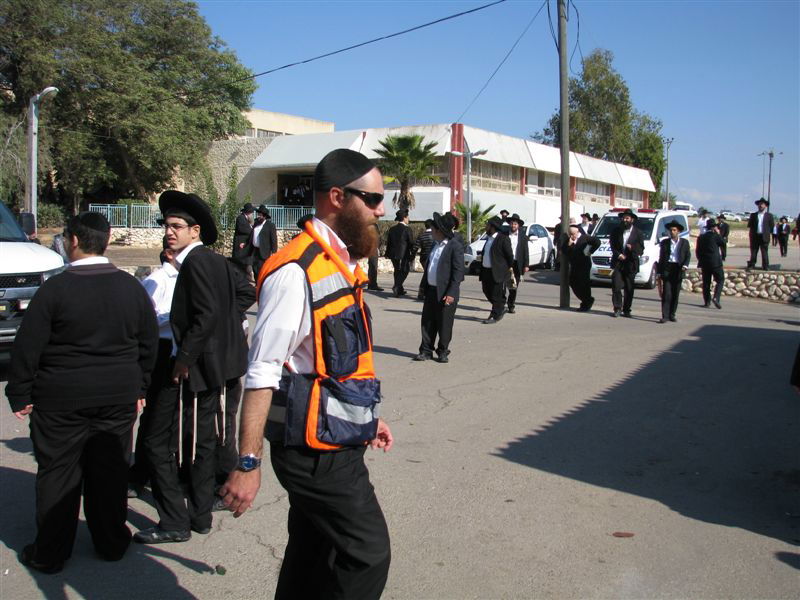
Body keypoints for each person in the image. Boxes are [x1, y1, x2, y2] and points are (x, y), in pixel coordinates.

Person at [219, 148, 394, 599]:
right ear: (337, 197)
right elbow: (262, 371)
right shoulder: (296, 272)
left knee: (314, 552)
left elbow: (335, 365)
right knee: (368, 553)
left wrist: (368, 420)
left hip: (334, 438)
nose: (382, 210)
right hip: (316, 454)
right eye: (374, 199)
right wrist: (248, 463)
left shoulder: (340, 264)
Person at [7, 212, 159, 574]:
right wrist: (140, 386)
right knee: (109, 471)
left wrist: (20, 393)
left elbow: (27, 347)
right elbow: (149, 343)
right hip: (117, 398)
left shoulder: (55, 289)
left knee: (58, 474)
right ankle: (111, 542)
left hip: (61, 400)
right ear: (106, 240)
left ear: (72, 241)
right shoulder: (132, 289)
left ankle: (50, 552)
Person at [133, 191, 255, 545]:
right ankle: (199, 515)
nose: (168, 232)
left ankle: (178, 518)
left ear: (195, 231)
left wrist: (184, 359)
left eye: (176, 226)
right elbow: (228, 305)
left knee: (169, 442)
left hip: (198, 366)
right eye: (166, 226)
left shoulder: (197, 262)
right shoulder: (213, 261)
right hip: (213, 364)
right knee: (202, 441)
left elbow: (206, 315)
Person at [129, 239, 179, 499]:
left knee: (169, 418)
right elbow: (145, 319)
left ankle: (163, 468)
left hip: (177, 352)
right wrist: (175, 317)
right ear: (169, 254)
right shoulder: (157, 280)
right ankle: (139, 473)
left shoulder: (185, 278)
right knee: (152, 417)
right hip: (159, 350)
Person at [413, 212, 464, 363]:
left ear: (440, 231)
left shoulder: (455, 246)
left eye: (433, 229)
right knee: (427, 322)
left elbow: (458, 272)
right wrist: (423, 287)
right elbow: (430, 267)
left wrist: (451, 293)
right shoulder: (435, 245)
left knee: (444, 324)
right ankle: (426, 350)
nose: (431, 232)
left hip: (446, 292)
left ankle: (443, 351)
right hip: (431, 290)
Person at [609, 209, 644, 317]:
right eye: (623, 218)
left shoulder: (638, 233)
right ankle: (617, 308)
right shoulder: (616, 231)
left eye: (627, 218)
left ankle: (627, 309)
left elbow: (641, 250)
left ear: (632, 220)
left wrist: (632, 248)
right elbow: (612, 246)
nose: (625, 220)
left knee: (629, 288)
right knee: (616, 285)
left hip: (631, 263)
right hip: (618, 263)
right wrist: (618, 254)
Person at [479, 216, 513, 324]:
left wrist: (506, 268)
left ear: (492, 227)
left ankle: (496, 314)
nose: (486, 227)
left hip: (497, 272)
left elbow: (509, 256)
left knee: (495, 294)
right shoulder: (488, 238)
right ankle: (501, 305)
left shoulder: (503, 238)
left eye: (488, 225)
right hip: (486, 271)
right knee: (486, 290)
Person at [655, 219, 690, 323]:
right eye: (671, 230)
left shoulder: (684, 242)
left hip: (678, 269)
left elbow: (688, 255)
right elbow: (661, 257)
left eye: (674, 230)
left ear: (678, 231)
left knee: (675, 294)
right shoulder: (665, 242)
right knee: (667, 293)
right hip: (667, 268)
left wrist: (685, 265)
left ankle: (672, 314)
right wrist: (659, 271)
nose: (672, 232)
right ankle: (665, 315)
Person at [560, 223, 601, 311]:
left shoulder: (585, 238)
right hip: (575, 265)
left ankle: (586, 303)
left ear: (577, 232)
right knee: (573, 282)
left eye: (573, 234)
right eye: (570, 234)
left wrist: (590, 251)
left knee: (584, 284)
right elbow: (564, 251)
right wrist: (569, 244)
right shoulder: (569, 240)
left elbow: (597, 242)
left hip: (584, 264)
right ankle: (586, 299)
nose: (572, 236)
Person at [696, 218, 725, 309]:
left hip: (704, 263)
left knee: (706, 283)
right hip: (715, 263)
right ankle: (716, 297)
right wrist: (718, 233)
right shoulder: (715, 236)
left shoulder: (701, 237)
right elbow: (723, 242)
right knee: (720, 279)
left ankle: (707, 302)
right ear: (713, 228)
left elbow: (698, 251)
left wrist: (701, 260)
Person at [385, 208, 415, 297]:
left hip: (393, 254)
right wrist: (412, 253)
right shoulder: (407, 229)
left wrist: (387, 253)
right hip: (403, 254)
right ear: (404, 218)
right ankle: (397, 286)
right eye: (408, 217)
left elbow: (389, 242)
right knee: (405, 270)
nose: (408, 219)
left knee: (397, 270)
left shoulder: (392, 229)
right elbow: (411, 242)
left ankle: (399, 289)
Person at [506, 214, 529, 314]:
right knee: (503, 284)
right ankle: (500, 303)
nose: (513, 226)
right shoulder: (504, 235)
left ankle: (511, 305)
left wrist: (526, 264)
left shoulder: (523, 236)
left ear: (518, 225)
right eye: (512, 224)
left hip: (517, 263)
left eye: (515, 224)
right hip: (506, 262)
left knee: (514, 286)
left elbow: (525, 251)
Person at [747, 197, 774, 270]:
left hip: (764, 236)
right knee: (754, 251)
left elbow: (771, 226)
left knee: (764, 252)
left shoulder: (769, 215)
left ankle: (765, 266)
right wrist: (751, 235)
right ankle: (752, 265)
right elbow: (750, 226)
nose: (761, 205)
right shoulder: (753, 215)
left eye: (762, 204)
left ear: (765, 206)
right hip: (755, 236)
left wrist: (770, 234)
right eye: (759, 204)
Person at [252, 205, 279, 278]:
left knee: (261, 269)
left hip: (264, 251)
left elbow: (273, 239)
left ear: (264, 216)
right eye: (258, 215)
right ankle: (257, 283)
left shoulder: (270, 225)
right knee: (255, 269)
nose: (258, 216)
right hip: (255, 250)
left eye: (260, 215)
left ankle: (261, 282)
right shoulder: (256, 224)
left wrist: (274, 252)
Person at [231, 202, 255, 279]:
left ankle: (248, 276)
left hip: (245, 245)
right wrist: (253, 230)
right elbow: (243, 229)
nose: (252, 215)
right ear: (248, 212)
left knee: (247, 262)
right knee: (240, 263)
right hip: (240, 244)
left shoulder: (246, 220)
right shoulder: (240, 218)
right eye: (251, 213)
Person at [414, 219, 435, 300]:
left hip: (423, 257)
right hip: (432, 258)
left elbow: (415, 247)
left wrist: (412, 255)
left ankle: (423, 292)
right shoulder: (435, 235)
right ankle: (423, 292)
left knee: (427, 274)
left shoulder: (421, 235)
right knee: (428, 275)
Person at [367, 222, 384, 291]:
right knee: (373, 266)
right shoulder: (372, 224)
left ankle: (371, 284)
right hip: (372, 248)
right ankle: (373, 284)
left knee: (372, 266)